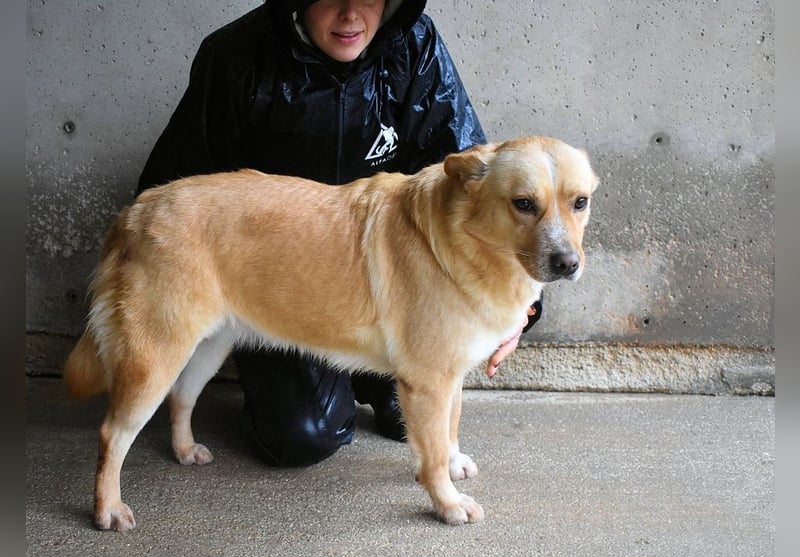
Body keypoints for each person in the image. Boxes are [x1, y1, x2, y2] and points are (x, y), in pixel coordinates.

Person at [136, 0, 541, 468]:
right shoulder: (235, 57)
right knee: (302, 435)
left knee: (410, 407)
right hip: (288, 290)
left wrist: (524, 306)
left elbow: (478, 187)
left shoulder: (415, 45)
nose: (351, 14)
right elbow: (174, 193)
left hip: (398, 291)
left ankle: (373, 377)